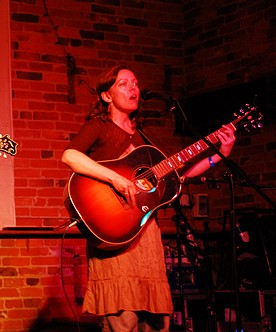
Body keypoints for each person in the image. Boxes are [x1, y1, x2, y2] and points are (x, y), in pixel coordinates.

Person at [61, 65, 236, 331]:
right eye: (123, 84)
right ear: (106, 96)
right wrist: (115, 178)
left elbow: (180, 175)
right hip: (115, 230)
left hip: (146, 233)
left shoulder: (145, 136)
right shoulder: (99, 127)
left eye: (135, 83)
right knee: (124, 320)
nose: (133, 88)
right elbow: (70, 156)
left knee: (156, 322)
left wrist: (220, 154)